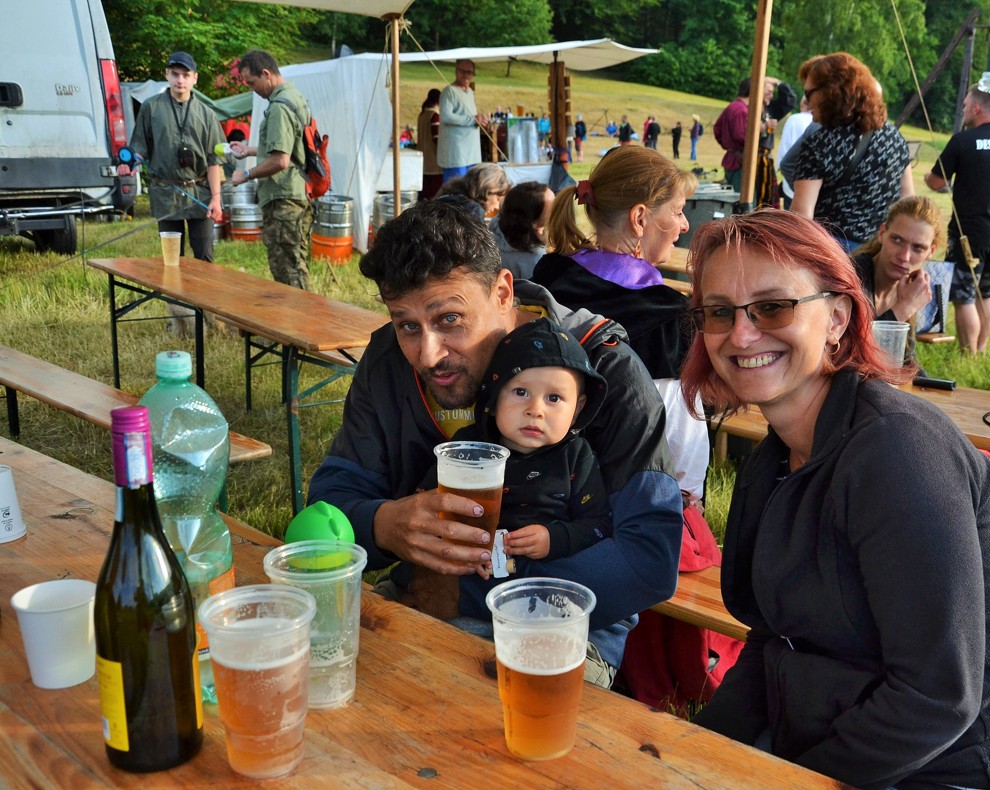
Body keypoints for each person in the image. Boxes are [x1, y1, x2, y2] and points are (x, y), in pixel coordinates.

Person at [680, 207, 990, 790]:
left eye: (772, 307)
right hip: (833, 733)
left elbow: (937, 698)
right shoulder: (775, 457)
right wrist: (695, 752)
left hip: (955, 778)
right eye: (720, 313)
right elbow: (774, 641)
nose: (741, 336)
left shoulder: (897, 453)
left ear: (837, 317)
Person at [307, 199, 683, 687]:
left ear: (503, 291)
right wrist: (383, 525)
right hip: (418, 601)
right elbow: (330, 504)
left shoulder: (606, 370)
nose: (428, 354)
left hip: (564, 633)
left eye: (449, 319)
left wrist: (461, 586)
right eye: (407, 325)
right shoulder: (390, 360)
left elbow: (649, 561)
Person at [535, 146, 709, 504]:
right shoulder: (667, 319)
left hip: (544, 488)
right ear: (640, 218)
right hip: (631, 503)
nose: (684, 225)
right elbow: (682, 448)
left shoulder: (547, 280)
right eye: (678, 211)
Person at [449, 317, 612, 570]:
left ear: (577, 409)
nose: (535, 410)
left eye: (554, 398)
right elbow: (431, 505)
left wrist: (554, 539)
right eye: (521, 392)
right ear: (493, 398)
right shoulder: (467, 448)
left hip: (545, 578)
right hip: (467, 572)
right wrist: (461, 545)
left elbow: (598, 524)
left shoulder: (576, 457)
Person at [925, 89, 990, 354]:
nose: (963, 109)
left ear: (977, 108)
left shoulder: (963, 140)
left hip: (968, 234)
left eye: (966, 105)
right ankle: (981, 348)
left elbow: (936, 182)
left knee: (963, 297)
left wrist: (928, 179)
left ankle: (968, 353)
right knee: (986, 293)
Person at [791, 53, 914, 251]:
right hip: (877, 253)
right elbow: (908, 201)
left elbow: (801, 218)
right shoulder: (895, 138)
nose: (806, 101)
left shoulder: (819, 144)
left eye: (808, 93)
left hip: (831, 253)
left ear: (830, 93)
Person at [130, 51, 224, 264]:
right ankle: (173, 288)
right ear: (167, 74)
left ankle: (201, 288)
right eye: (175, 74)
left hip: (199, 192)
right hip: (166, 193)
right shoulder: (151, 108)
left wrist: (216, 199)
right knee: (172, 259)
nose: (180, 80)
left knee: (204, 257)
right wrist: (129, 162)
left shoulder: (207, 114)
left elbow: (213, 161)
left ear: (195, 78)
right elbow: (139, 147)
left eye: (185, 75)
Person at [230, 50, 313, 290]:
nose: (252, 89)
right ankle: (298, 312)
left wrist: (245, 175)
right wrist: (249, 151)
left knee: (288, 271)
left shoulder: (279, 107)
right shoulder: (295, 97)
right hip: (294, 194)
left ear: (266, 74)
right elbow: (290, 148)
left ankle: (299, 314)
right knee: (294, 263)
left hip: (283, 200)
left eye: (252, 82)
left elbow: (281, 160)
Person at [850, 196, 941, 329]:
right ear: (882, 233)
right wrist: (905, 308)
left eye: (918, 248)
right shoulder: (851, 276)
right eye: (897, 240)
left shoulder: (911, 289)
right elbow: (852, 341)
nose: (904, 256)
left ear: (931, 251)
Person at [438, 59, 489, 183]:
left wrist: (481, 120)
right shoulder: (449, 91)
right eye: (462, 71)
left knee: (470, 188)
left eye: (469, 72)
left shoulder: (470, 92)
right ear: (456, 71)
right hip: (457, 154)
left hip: (471, 152)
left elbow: (470, 116)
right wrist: (473, 119)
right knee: (455, 189)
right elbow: (446, 116)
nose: (466, 75)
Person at [490, 181, 553, 280]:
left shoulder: (495, 226)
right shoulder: (535, 260)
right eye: (552, 207)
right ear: (533, 222)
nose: (558, 207)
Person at [775, 95, 814, 210]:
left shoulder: (794, 119)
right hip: (813, 188)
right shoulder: (824, 123)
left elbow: (784, 152)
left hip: (792, 181)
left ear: (804, 103)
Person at [434, 162, 511, 219]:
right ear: (487, 191)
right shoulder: (474, 209)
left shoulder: (446, 194)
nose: (497, 207)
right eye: (498, 199)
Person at [713, 80, 751, 193]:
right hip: (739, 162)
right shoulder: (742, 110)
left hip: (732, 158)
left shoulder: (732, 106)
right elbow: (740, 136)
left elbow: (717, 129)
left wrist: (727, 144)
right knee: (741, 198)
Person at [417, 89, 442, 200]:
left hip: (422, 162)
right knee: (433, 197)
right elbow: (437, 139)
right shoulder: (434, 116)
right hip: (434, 164)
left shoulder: (422, 115)